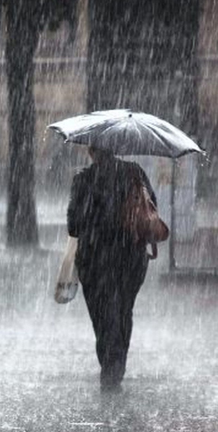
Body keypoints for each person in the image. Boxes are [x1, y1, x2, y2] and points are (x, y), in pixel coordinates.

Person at [67, 146, 158, 391]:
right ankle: (116, 364)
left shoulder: (83, 179)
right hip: (131, 256)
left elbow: (73, 226)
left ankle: (110, 363)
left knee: (102, 315)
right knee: (123, 310)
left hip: (95, 259)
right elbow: (152, 208)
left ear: (91, 151)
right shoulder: (134, 172)